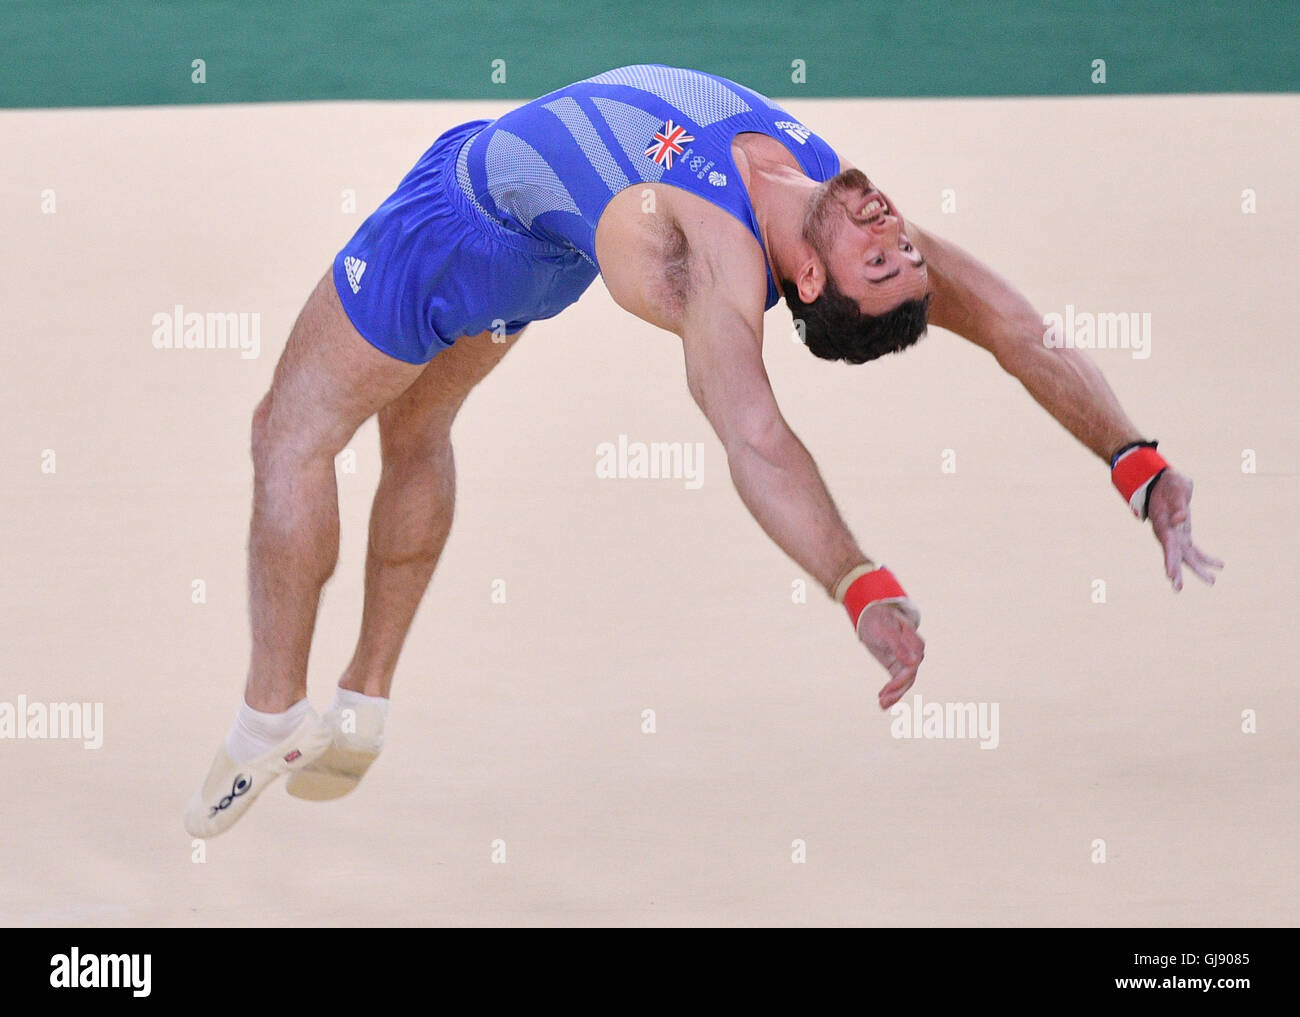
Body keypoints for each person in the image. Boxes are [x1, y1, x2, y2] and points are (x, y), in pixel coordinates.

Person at [184, 64, 1221, 837]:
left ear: (809, 282)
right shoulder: (821, 194)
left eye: (878, 253)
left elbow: (757, 438)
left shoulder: (718, 264)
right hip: (536, 253)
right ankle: (361, 704)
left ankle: (267, 711)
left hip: (454, 221)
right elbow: (1013, 325)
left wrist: (856, 583)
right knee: (420, 430)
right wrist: (1133, 462)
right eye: (900, 249)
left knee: (291, 436)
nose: (892, 227)